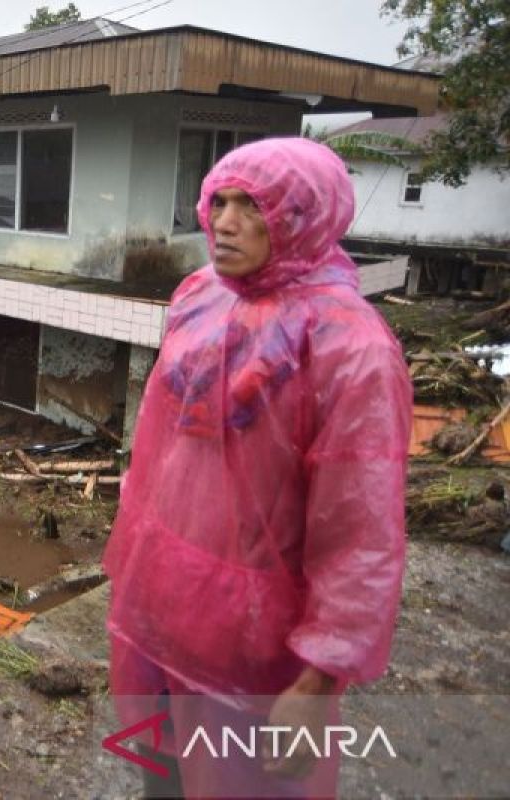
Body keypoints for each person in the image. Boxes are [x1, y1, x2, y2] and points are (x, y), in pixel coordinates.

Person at [102, 137, 411, 797]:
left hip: (256, 643)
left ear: (304, 219)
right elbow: (161, 451)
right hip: (164, 603)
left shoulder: (349, 349)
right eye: (221, 200)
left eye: (254, 206)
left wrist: (319, 678)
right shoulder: (199, 299)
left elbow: (360, 533)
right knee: (167, 778)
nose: (225, 221)